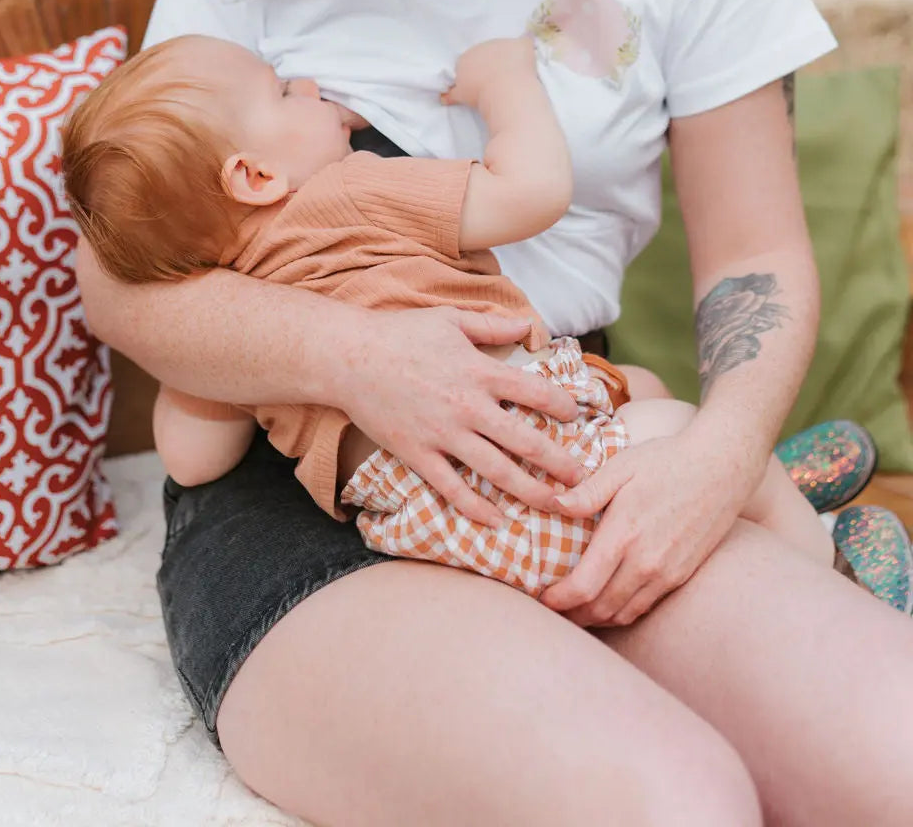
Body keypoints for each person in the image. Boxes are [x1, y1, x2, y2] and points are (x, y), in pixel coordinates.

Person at [77, 0, 913, 826]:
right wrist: (354, 355)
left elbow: (752, 258)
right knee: (669, 802)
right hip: (313, 484)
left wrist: (708, 466)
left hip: (570, 439)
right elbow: (122, 278)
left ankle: (787, 497)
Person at [63, 32, 837, 591]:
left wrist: (194, 377)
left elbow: (193, 460)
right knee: (711, 452)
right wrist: (506, 84)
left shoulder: (239, 323)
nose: (307, 86)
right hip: (547, 473)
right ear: (258, 175)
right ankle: (828, 564)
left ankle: (774, 499)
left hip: (437, 545)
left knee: (635, 384)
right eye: (280, 87)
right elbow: (533, 190)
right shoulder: (348, 191)